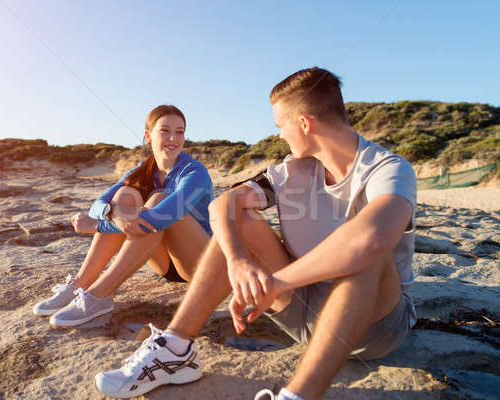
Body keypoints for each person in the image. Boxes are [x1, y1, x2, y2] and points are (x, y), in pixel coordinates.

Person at [95, 68, 417, 400]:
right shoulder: (292, 169)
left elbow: (370, 240)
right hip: (303, 310)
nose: (280, 136)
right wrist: (237, 260)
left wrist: (279, 282)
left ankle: (298, 396)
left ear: (304, 124)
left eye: (281, 126)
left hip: (375, 326)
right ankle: (176, 349)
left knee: (367, 253)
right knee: (239, 218)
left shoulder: (388, 169)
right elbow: (222, 205)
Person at [32, 105, 214, 327]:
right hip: (165, 263)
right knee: (124, 196)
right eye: (165, 131)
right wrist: (113, 214)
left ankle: (99, 295)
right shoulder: (143, 169)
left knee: (156, 202)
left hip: (200, 263)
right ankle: (79, 285)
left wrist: (97, 226)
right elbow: (98, 205)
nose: (173, 138)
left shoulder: (195, 173)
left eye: (180, 131)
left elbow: (159, 219)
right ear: (148, 135)